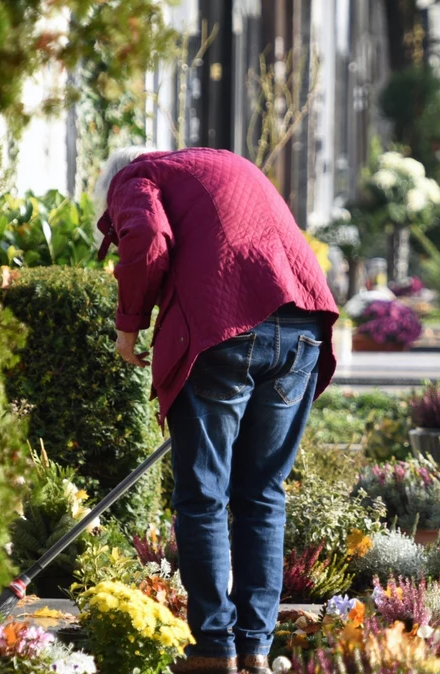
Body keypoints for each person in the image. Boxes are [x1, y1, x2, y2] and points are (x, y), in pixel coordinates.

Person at [93, 147, 338, 674]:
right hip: (302, 328)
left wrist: (128, 324)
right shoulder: (217, 162)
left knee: (203, 495)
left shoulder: (137, 176)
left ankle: (213, 650)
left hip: (228, 327)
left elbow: (148, 238)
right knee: (262, 494)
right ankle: (254, 647)